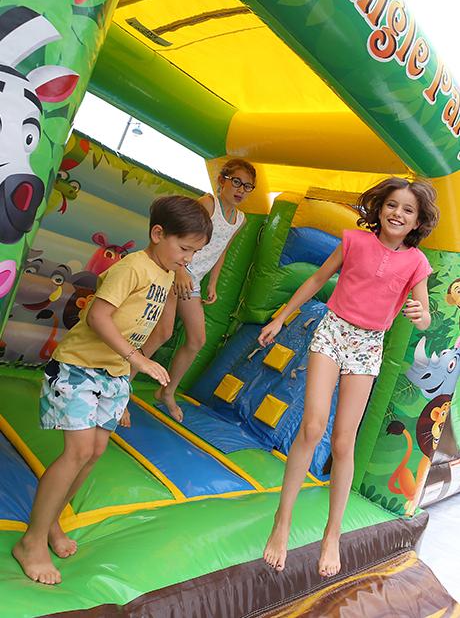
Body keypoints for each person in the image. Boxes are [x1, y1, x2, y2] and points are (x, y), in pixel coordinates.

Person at [13, 195, 212, 585]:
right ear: (158, 234)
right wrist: (136, 359)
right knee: (78, 451)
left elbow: (163, 328)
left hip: (113, 376)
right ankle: (32, 542)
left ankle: (51, 522)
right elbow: (98, 315)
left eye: (195, 252)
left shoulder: (167, 272)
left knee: (95, 452)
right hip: (80, 367)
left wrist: (126, 380)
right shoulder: (132, 268)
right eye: (184, 249)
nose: (188, 258)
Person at [258, 177, 440, 577]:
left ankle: (332, 534)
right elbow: (317, 279)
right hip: (333, 330)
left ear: (417, 221)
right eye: (392, 205)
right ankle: (281, 522)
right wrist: (281, 317)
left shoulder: (416, 263)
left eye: (408, 210)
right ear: (379, 208)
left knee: (344, 441)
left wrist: (419, 315)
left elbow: (425, 314)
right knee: (312, 426)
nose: (398, 213)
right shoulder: (354, 242)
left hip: (368, 345)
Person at [142, 159, 256, 423]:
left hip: (194, 280)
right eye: (236, 181)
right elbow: (179, 237)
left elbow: (222, 250)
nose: (240, 190)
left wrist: (212, 282)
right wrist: (180, 271)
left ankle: (167, 391)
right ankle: (120, 391)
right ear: (222, 180)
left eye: (248, 187)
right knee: (162, 332)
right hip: (173, 271)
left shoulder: (240, 219)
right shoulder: (208, 204)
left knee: (196, 340)